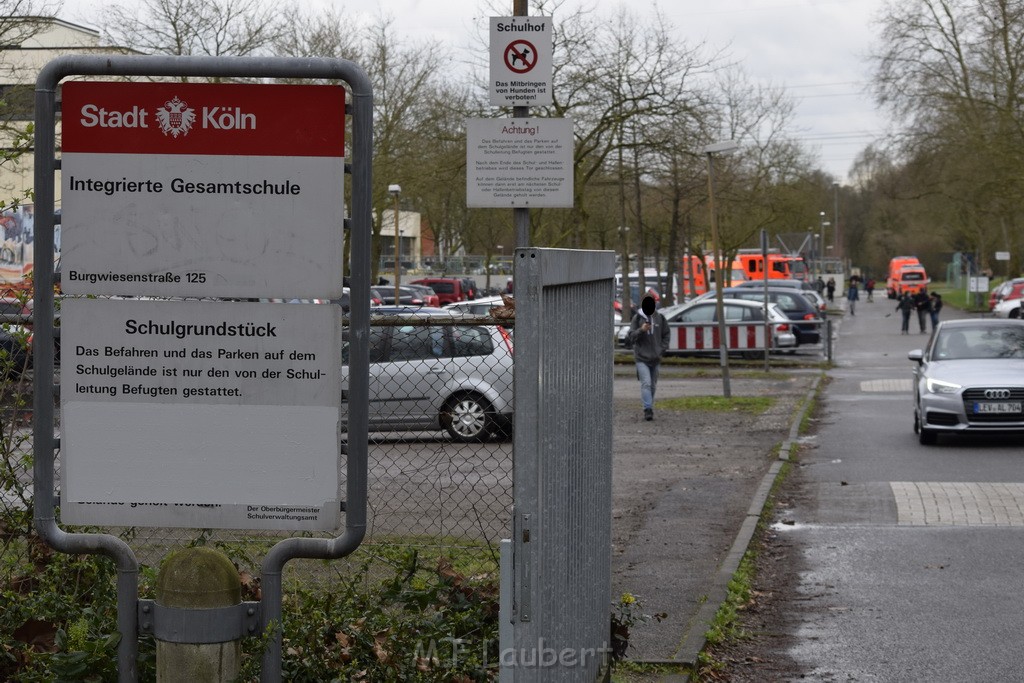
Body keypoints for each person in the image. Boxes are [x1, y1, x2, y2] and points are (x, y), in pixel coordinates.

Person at [627, 294, 670, 422]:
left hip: (655, 358)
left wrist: (661, 349)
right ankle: (648, 409)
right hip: (641, 358)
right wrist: (642, 330)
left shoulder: (660, 318)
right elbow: (631, 336)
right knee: (646, 383)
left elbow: (666, 334)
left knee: (652, 385)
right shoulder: (637, 318)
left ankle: (648, 404)